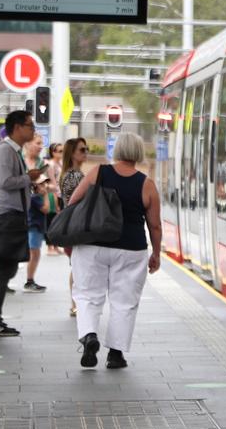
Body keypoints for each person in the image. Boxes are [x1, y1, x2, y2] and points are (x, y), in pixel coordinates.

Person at [67, 132, 162, 369]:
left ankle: (89, 336)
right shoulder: (146, 184)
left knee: (88, 294)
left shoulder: (98, 172)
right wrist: (156, 253)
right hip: (131, 248)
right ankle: (116, 354)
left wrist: (69, 238)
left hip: (92, 244)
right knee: (124, 301)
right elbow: (155, 225)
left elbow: (73, 204)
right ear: (139, 152)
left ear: (116, 150)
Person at [0, 110, 45, 337]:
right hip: (6, 215)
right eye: (29, 125)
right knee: (5, 267)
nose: (32, 129)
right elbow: (5, 182)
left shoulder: (12, 150)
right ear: (17, 127)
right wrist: (30, 178)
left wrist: (29, 184)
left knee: (6, 267)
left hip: (12, 214)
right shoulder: (6, 150)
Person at [59, 137, 89, 316]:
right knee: (78, 267)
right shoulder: (74, 176)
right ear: (72, 154)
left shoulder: (68, 174)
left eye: (86, 149)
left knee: (76, 266)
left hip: (71, 225)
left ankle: (75, 304)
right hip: (76, 225)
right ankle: (75, 304)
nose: (86, 153)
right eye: (82, 150)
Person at [21, 135, 50, 293]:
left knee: (34, 247)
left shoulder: (43, 164)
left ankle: (29, 279)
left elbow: (49, 184)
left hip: (36, 211)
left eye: (41, 144)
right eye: (37, 143)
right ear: (28, 144)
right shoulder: (19, 161)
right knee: (13, 245)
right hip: (19, 210)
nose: (40, 146)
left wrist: (45, 196)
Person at [44, 142, 64, 255]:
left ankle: (56, 246)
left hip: (61, 195)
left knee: (58, 222)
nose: (62, 153)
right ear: (53, 152)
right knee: (51, 221)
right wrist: (55, 198)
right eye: (60, 151)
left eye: (63, 151)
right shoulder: (51, 165)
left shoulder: (61, 163)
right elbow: (52, 182)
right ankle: (49, 247)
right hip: (53, 195)